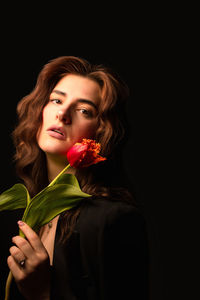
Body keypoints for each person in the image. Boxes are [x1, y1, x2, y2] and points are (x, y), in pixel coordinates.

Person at [4, 56, 149, 299]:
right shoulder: (33, 212)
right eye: (56, 100)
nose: (62, 114)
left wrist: (41, 294)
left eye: (84, 110)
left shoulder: (114, 219)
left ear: (101, 131)